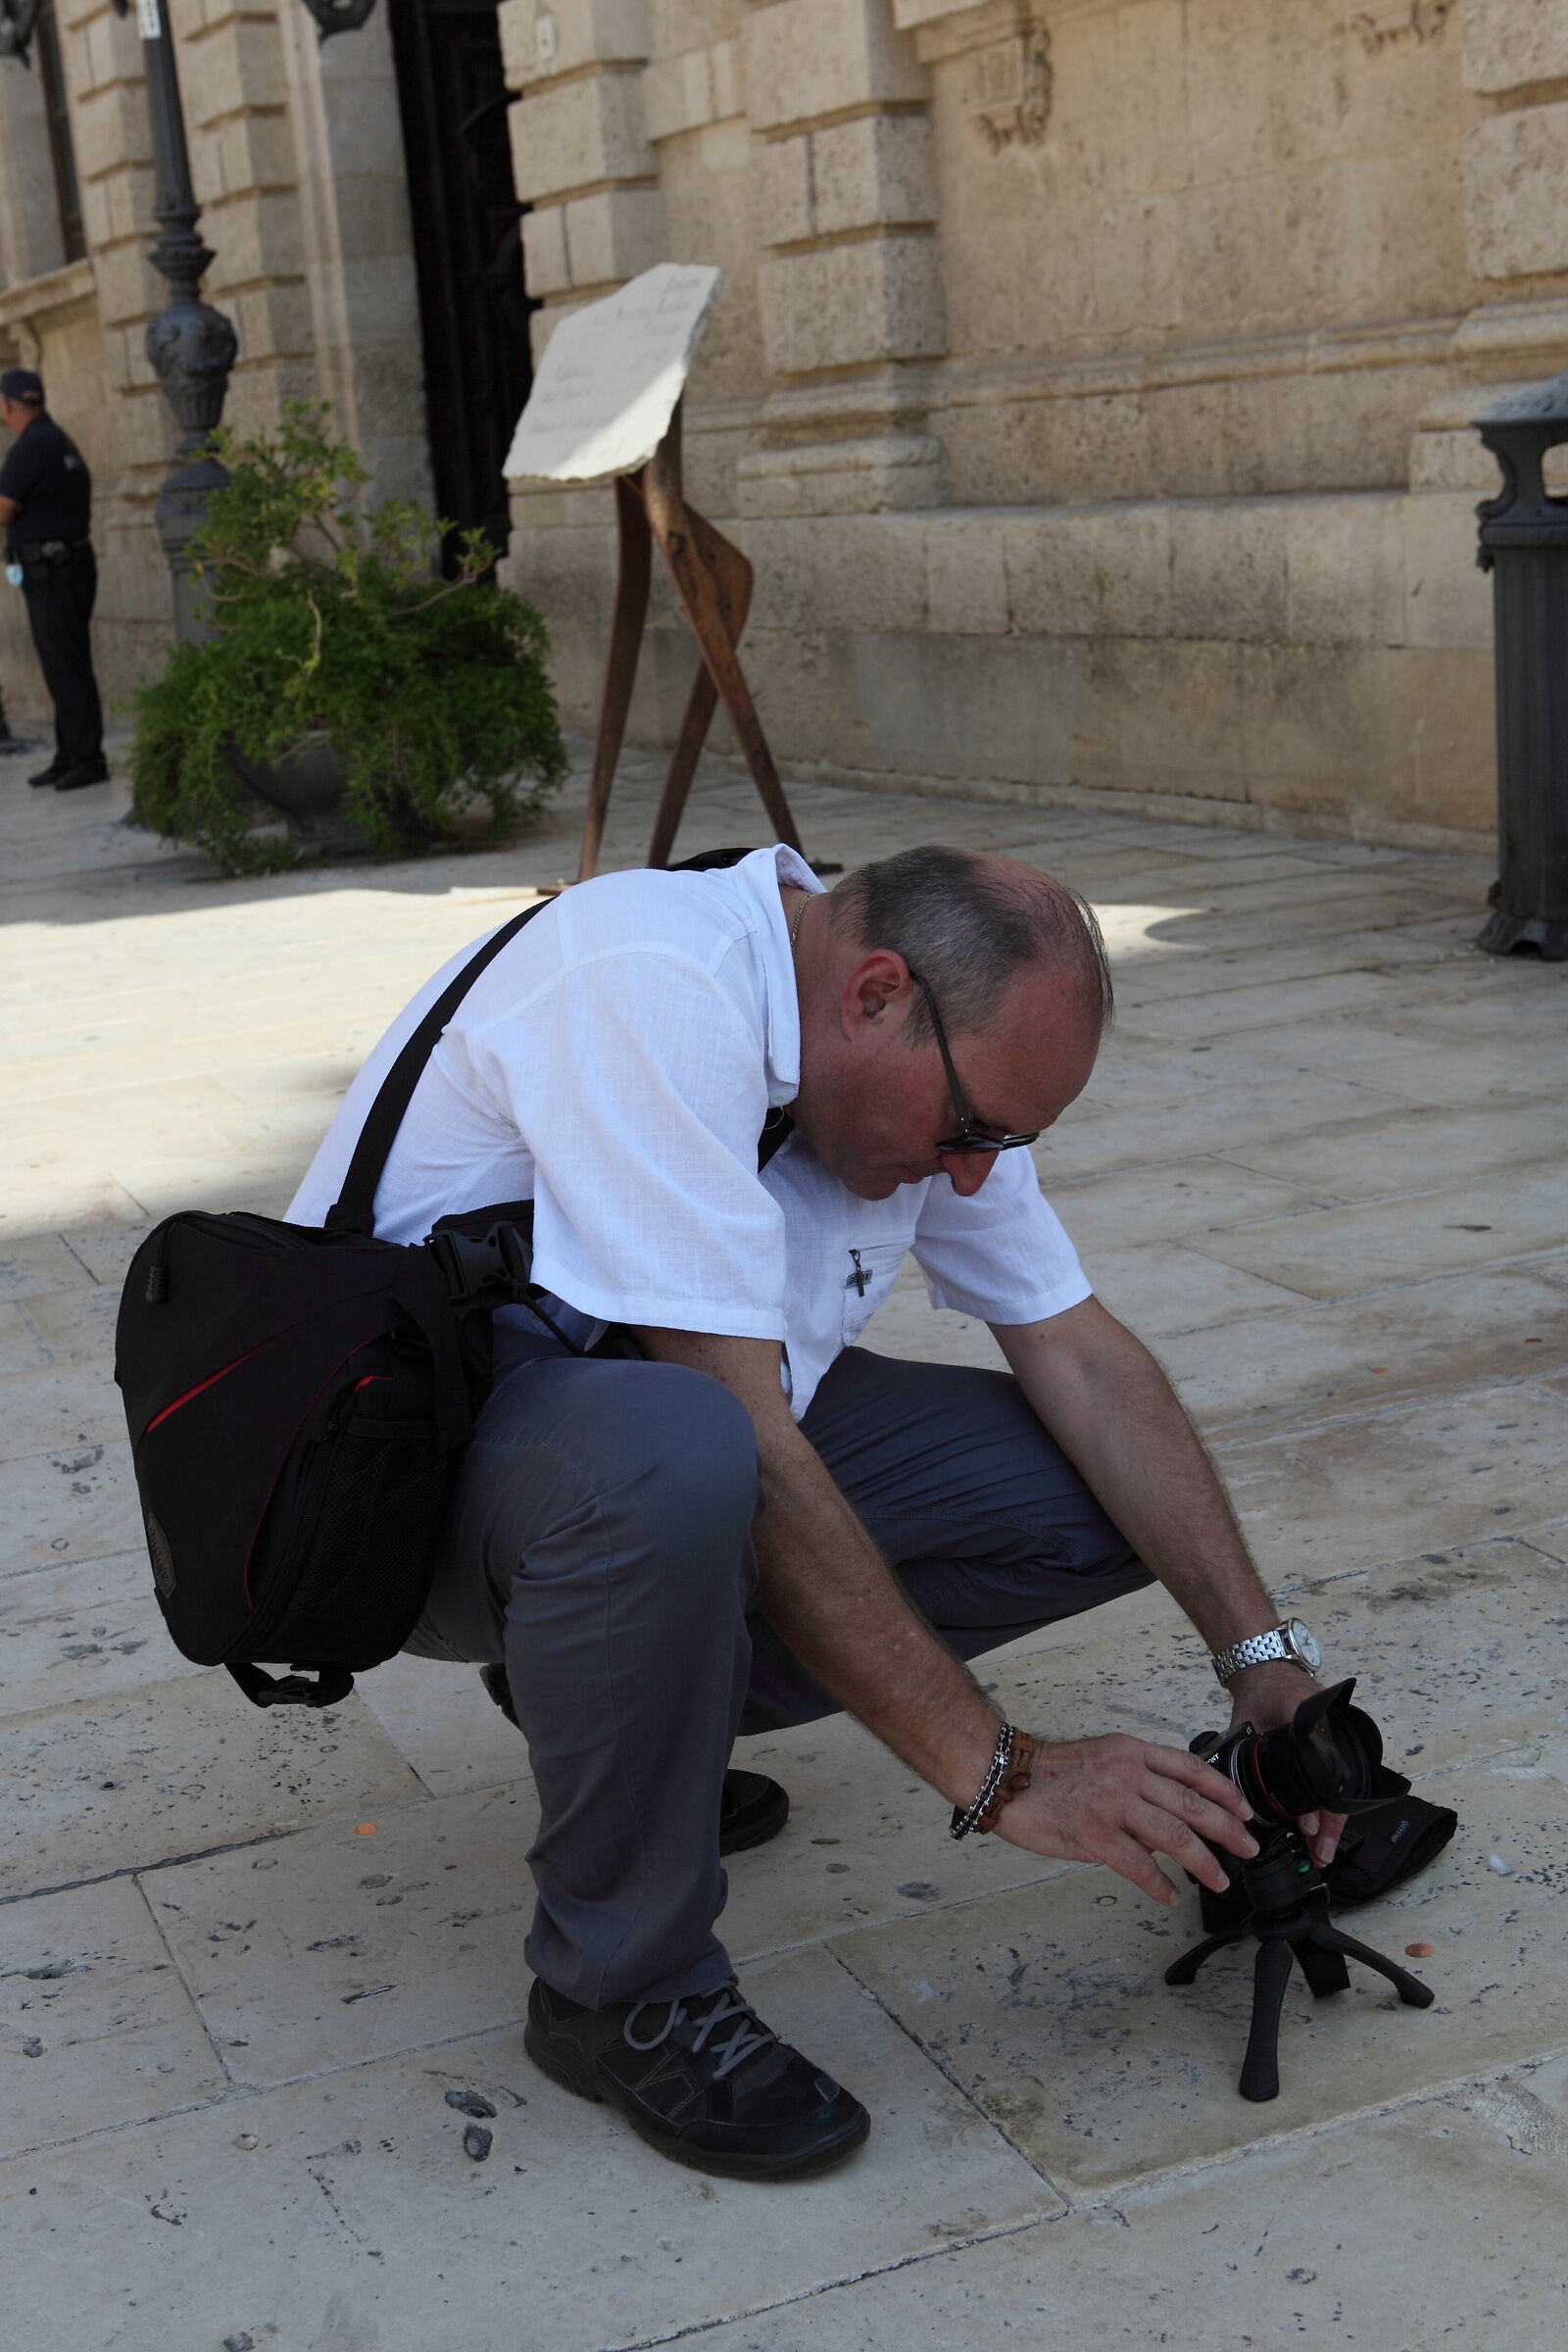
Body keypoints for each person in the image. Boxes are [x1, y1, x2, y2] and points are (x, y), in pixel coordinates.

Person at [288, 844, 1343, 2182]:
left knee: (1089, 1497)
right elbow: (741, 1440)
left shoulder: (921, 1060)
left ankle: (631, 1720)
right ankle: (620, 1984)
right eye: (971, 1132)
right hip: (399, 1490)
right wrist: (1000, 1770)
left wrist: (1263, 1665)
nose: (975, 1176)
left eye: (1007, 1143)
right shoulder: (654, 983)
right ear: (876, 994)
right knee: (677, 1449)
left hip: (627, 1454)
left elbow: (1081, 1357)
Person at [0, 368, 108, 793]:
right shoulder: (55, 439)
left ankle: (86, 758)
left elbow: (4, 508)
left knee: (66, 668)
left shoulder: (31, 446)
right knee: (66, 665)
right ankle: (70, 755)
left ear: (6, 405)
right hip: (66, 565)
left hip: (53, 571)